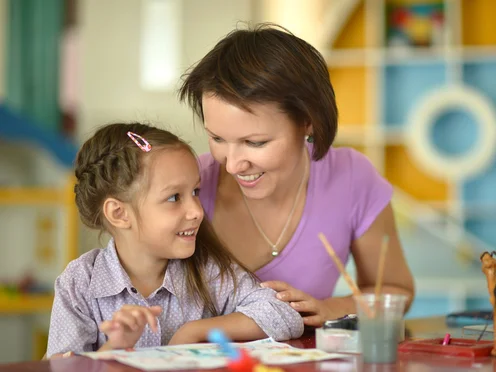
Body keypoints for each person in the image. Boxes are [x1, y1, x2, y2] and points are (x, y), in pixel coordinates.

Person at [178, 23, 415, 328]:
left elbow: (396, 292)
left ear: (307, 121)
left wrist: (331, 308)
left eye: (255, 142)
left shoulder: (352, 177)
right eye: (218, 139)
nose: (233, 164)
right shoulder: (186, 184)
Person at [46, 122, 303, 358]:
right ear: (119, 213)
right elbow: (60, 367)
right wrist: (115, 346)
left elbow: (284, 315)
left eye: (195, 192)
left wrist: (195, 331)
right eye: (174, 198)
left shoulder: (208, 271)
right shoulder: (79, 283)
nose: (197, 211)